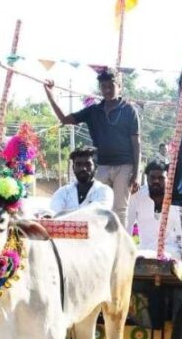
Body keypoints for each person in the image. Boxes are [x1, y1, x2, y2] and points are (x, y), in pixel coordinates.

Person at [44, 68, 141, 226]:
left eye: (111, 86)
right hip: (100, 165)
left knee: (120, 208)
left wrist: (136, 173)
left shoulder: (129, 110)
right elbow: (65, 119)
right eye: (104, 86)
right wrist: (51, 95)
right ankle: (97, 242)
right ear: (100, 88)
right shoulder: (93, 110)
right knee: (95, 206)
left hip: (125, 165)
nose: (107, 90)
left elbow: (136, 143)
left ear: (119, 86)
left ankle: (120, 247)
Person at [126, 161, 182, 261]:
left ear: (167, 178)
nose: (156, 181)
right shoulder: (137, 196)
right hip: (144, 251)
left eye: (160, 178)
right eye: (152, 178)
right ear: (146, 178)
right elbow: (128, 224)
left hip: (170, 252)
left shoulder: (176, 199)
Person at [50, 146, 113, 215]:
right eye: (78, 164)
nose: (83, 168)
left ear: (95, 167)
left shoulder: (104, 191)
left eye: (87, 164)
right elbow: (54, 214)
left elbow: (99, 216)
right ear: (73, 168)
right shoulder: (62, 192)